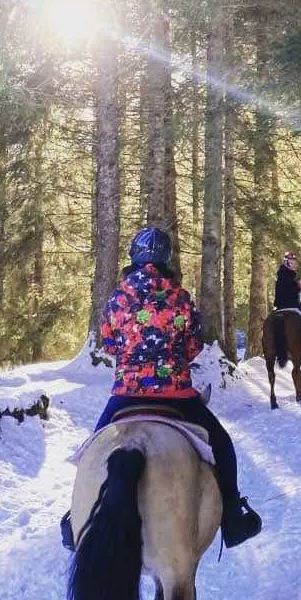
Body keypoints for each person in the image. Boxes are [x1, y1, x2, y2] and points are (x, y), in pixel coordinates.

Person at [61, 226, 261, 551]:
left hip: (126, 395)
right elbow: (194, 346)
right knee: (222, 444)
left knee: (91, 451)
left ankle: (76, 518)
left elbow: (109, 343)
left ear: (134, 257)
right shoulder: (180, 298)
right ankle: (234, 519)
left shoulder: (118, 298)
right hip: (176, 395)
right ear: (167, 259)